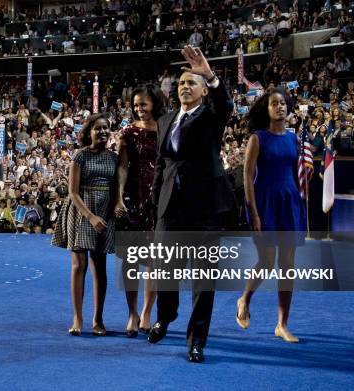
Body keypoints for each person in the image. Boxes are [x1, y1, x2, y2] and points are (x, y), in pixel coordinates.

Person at [149, 45, 235, 363]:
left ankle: (197, 339)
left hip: (205, 211)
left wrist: (209, 74)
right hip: (170, 210)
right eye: (182, 82)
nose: (185, 86)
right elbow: (161, 163)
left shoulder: (212, 117)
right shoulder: (165, 120)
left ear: (202, 91)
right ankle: (166, 316)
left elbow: (225, 103)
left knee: (203, 282)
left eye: (191, 83)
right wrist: (156, 199)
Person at [236, 88, 306, 343]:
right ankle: (244, 298)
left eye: (283, 103)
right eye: (274, 104)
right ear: (266, 109)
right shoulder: (258, 138)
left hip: (289, 203)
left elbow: (296, 173)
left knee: (288, 266)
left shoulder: (294, 139)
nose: (280, 107)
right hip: (264, 204)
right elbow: (247, 177)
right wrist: (253, 211)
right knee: (266, 261)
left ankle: (282, 324)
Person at [52, 113, 117, 337]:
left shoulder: (114, 158)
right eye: (98, 128)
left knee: (100, 266)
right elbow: (72, 191)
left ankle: (98, 319)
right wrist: (90, 217)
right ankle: (77, 317)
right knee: (79, 265)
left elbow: (116, 187)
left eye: (106, 128)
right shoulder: (80, 156)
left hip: (104, 213)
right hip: (81, 212)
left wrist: (113, 209)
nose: (102, 132)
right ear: (88, 132)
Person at [115, 83, 166, 337]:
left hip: (159, 200)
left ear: (154, 103)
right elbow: (122, 167)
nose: (139, 109)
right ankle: (132, 312)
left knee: (156, 261)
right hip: (133, 198)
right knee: (130, 260)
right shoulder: (128, 132)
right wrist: (119, 198)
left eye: (143, 104)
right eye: (135, 105)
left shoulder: (167, 128)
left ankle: (147, 312)